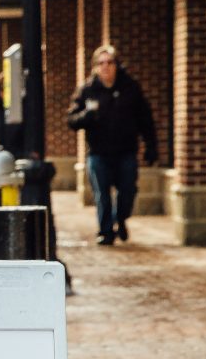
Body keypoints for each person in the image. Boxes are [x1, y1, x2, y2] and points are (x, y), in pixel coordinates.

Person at [67, 43, 158, 246]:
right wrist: (87, 115)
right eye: (101, 63)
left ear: (117, 65)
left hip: (126, 151)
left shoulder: (130, 87)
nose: (106, 67)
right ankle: (106, 231)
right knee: (102, 195)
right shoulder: (88, 90)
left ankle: (121, 219)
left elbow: (145, 119)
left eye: (110, 62)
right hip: (98, 152)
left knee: (128, 191)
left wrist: (151, 146)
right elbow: (71, 120)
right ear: (95, 67)